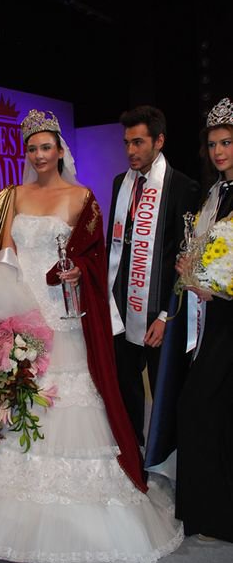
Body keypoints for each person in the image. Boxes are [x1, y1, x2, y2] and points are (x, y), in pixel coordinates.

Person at [0, 109, 183, 563]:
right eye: (32, 148)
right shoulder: (13, 196)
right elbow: (6, 254)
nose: (39, 155)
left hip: (63, 320)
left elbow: (96, 260)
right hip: (22, 313)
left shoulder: (82, 197)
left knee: (70, 405)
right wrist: (4, 307)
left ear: (59, 150)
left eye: (46, 147)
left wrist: (77, 272)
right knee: (13, 401)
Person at [106, 105, 200, 446]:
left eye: (139, 143)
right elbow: (114, 246)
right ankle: (133, 453)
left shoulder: (183, 187)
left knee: (165, 394)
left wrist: (165, 315)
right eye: (127, 143)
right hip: (121, 310)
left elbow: (186, 260)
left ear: (159, 141)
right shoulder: (121, 183)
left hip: (159, 314)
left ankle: (164, 459)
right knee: (125, 390)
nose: (131, 151)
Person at [175, 97, 233, 542]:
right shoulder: (215, 193)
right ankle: (208, 512)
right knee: (209, 409)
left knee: (204, 406)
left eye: (227, 142)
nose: (219, 152)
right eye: (213, 144)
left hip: (228, 316)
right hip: (214, 318)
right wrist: (190, 271)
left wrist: (220, 288)